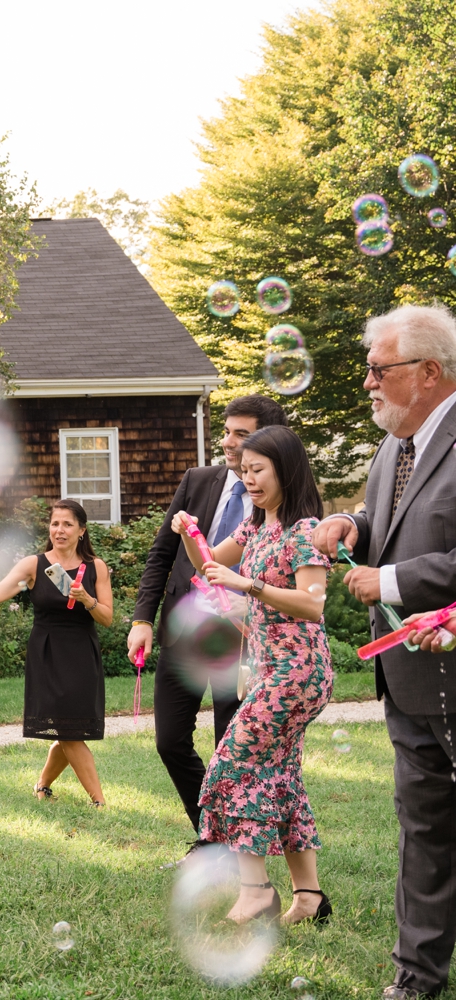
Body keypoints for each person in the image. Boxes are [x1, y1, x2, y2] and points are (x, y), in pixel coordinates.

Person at [313, 304, 456, 996]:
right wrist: (352, 522)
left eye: (380, 369)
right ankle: (416, 980)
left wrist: (392, 579)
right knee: (423, 834)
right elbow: (391, 520)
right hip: (408, 678)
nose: (368, 382)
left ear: (428, 373)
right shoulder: (393, 446)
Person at [178, 423, 332, 927]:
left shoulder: (304, 530)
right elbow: (207, 567)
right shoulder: (255, 527)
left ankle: (255, 891)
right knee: (279, 775)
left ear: (284, 468)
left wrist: (250, 584)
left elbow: (313, 605)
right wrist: (190, 534)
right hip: (272, 670)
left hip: (297, 672)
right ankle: (308, 898)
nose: (248, 480)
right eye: (243, 471)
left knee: (233, 766)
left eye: (258, 470)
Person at [129, 394, 288, 843]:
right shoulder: (198, 480)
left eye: (241, 433)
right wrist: (142, 619)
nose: (229, 442)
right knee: (170, 741)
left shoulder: (278, 499)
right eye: (226, 431)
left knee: (230, 747)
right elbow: (163, 553)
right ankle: (214, 833)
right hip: (186, 629)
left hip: (241, 638)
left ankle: (226, 848)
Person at [0, 498, 114, 805]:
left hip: (82, 654)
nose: (59, 530)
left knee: (69, 728)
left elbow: (107, 617)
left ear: (82, 530)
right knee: (68, 731)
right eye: (54, 523)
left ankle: (42, 786)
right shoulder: (33, 565)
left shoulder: (95, 567)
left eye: (67, 524)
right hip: (48, 653)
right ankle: (99, 802)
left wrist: (86, 598)